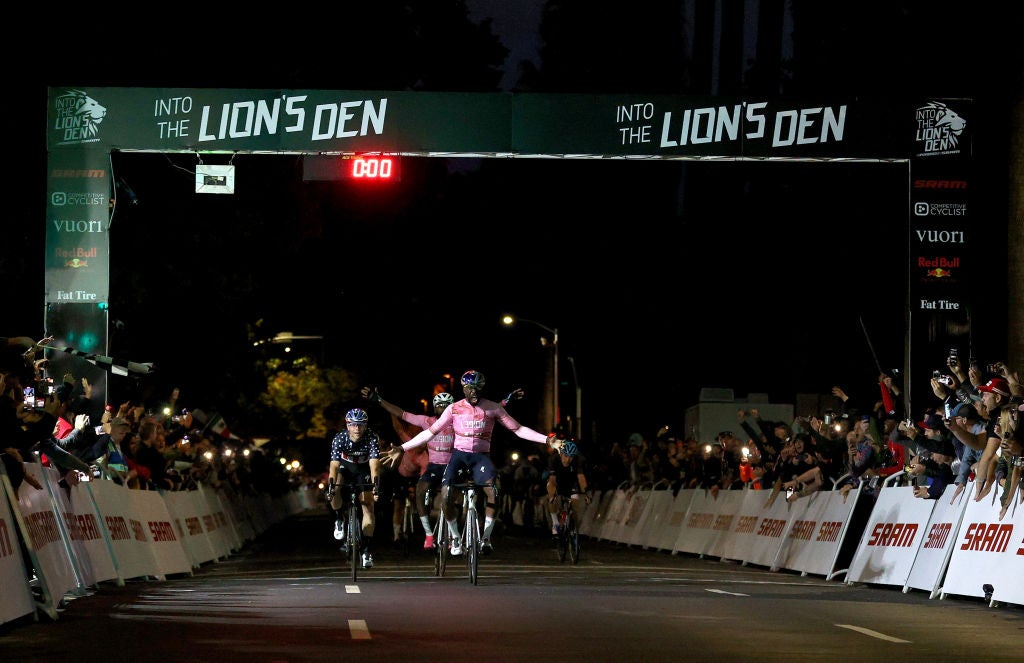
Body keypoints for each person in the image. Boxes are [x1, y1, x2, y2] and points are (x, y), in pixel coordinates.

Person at [384, 370, 563, 556]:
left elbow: (518, 429)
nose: (474, 391)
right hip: (459, 457)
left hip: (481, 457)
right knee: (446, 494)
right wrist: (402, 448)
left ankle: (485, 538)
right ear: (463, 389)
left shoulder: (493, 408)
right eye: (470, 388)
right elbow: (429, 433)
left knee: (494, 491)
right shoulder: (454, 408)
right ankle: (455, 538)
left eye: (478, 387)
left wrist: (547, 440)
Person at [362, 386, 455, 550]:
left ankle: (452, 532)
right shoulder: (421, 426)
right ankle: (401, 533)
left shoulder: (425, 457)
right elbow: (400, 416)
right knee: (399, 501)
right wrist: (379, 400)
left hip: (440, 469)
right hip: (402, 475)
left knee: (438, 494)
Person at [325, 408, 383, 569]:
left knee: (368, 506)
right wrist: (331, 487)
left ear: (366, 425)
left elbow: (374, 466)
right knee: (334, 487)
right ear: (347, 425)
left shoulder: (372, 438)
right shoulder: (339, 438)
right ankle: (339, 518)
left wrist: (375, 487)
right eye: (353, 425)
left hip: (363, 469)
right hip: (345, 466)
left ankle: (366, 550)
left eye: (360, 425)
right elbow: (334, 465)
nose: (357, 428)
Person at [545, 439, 591, 536]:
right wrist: (552, 495)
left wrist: (586, 493)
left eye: (571, 457)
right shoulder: (554, 459)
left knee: (575, 503)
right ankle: (555, 523)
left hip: (571, 481)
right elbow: (552, 480)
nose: (568, 460)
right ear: (561, 454)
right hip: (558, 480)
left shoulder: (578, 460)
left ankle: (572, 525)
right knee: (551, 494)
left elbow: (581, 478)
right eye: (566, 456)